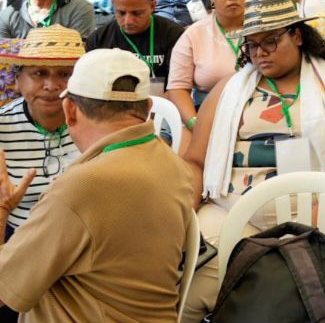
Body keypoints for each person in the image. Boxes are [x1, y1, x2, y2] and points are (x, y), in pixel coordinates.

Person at [182, 0, 325, 322]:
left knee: (297, 290)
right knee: (190, 291)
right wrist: (184, 207)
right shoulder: (229, 89)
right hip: (231, 208)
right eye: (252, 45)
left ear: (297, 36)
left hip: (319, 210)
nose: (261, 52)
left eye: (270, 41)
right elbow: (196, 161)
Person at [0, 48, 195, 323]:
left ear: (70, 110)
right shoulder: (173, 164)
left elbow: (4, 288)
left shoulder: (82, 186)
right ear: (148, 108)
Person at [0, 27, 84, 236]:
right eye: (39, 73)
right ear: (18, 80)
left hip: (83, 238)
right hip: (20, 237)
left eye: (65, 74)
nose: (51, 85)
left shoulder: (97, 120)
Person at [166, 0, 251, 128]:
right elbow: (177, 88)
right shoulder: (194, 34)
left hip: (259, 111)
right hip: (209, 117)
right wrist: (194, 123)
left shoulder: (266, 29)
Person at [85, 0, 186, 89]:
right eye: (121, 13)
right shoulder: (98, 40)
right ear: (113, 4)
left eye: (136, 13)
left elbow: (179, 87)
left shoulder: (174, 35)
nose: (128, 21)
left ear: (152, 6)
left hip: (163, 102)